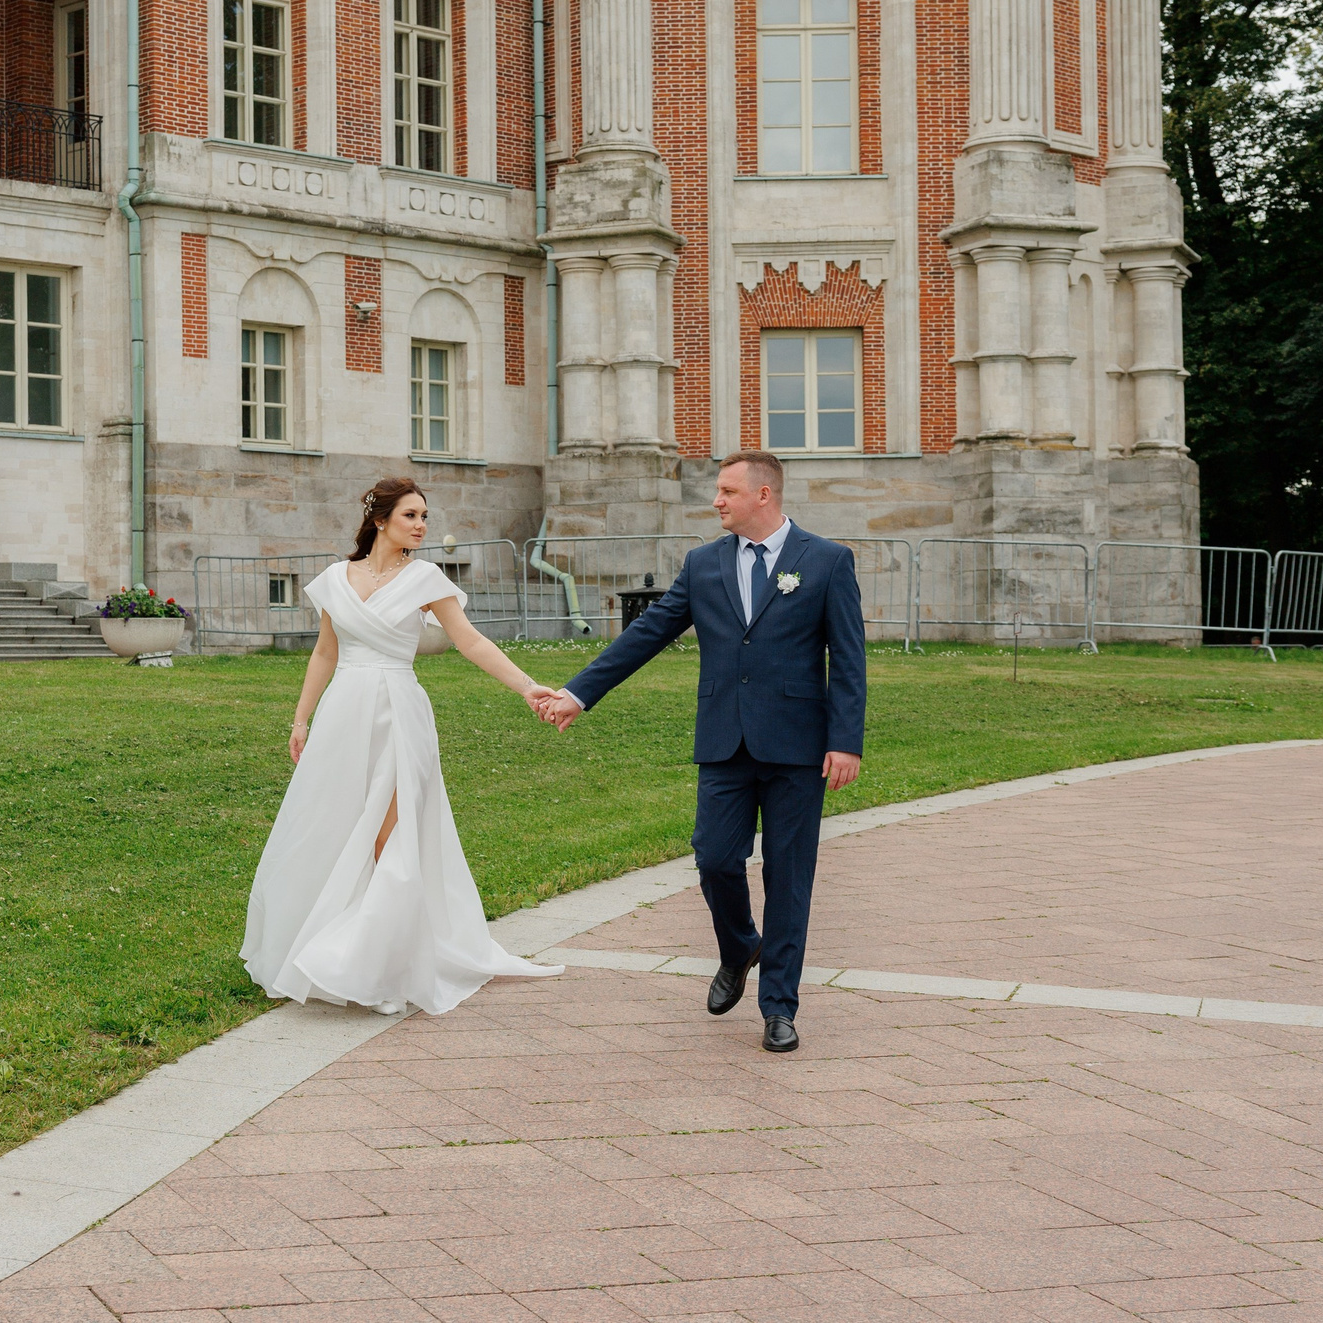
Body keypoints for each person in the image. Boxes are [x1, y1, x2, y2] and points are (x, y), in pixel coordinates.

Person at [532, 450, 866, 1053]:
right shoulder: (704, 563)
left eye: (727, 491)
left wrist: (845, 741)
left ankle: (779, 1007)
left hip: (798, 745)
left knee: (790, 878)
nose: (717, 501)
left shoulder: (827, 561)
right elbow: (648, 633)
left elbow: (847, 659)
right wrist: (580, 694)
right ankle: (739, 945)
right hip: (723, 741)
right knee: (714, 858)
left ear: (763, 495)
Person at [242, 477, 568, 1016]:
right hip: (344, 711)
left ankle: (381, 962)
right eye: (411, 516)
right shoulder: (333, 579)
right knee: (335, 823)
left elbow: (470, 640)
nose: (420, 526)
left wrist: (527, 685)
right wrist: (301, 720)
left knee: (391, 834)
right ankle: (324, 941)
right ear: (380, 519)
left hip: (399, 710)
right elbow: (325, 652)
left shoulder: (426, 578)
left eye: (424, 517)